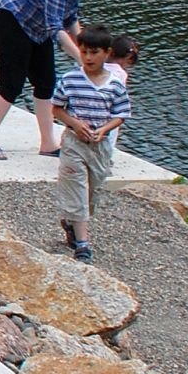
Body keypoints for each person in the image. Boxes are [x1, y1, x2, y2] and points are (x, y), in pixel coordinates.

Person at [0, 0, 112, 161]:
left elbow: (71, 20)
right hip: (13, 20)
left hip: (37, 28)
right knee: (12, 83)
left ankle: (48, 143)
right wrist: (83, 60)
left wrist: (85, 49)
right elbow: (55, 28)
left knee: (46, 83)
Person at [51, 27, 131, 263]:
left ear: (106, 53)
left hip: (100, 147)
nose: (88, 57)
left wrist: (105, 130)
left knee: (92, 192)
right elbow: (57, 108)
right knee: (76, 186)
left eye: (94, 52)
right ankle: (83, 245)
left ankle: (72, 223)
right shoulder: (70, 79)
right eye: (84, 52)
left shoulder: (115, 84)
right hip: (74, 144)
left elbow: (121, 114)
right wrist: (75, 124)